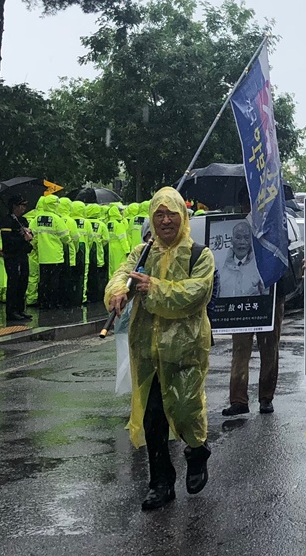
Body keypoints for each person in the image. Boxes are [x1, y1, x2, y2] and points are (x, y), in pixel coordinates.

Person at [105, 187, 215, 511]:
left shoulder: (199, 255)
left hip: (186, 349)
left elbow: (194, 294)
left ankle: (197, 451)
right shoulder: (142, 252)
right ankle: (160, 483)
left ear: (182, 217)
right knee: (153, 418)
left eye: (171, 214)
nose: (165, 220)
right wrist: (118, 292)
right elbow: (121, 275)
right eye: (159, 215)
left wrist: (154, 287)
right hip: (147, 350)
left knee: (185, 410)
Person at [223, 192, 287, 417]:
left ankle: (266, 398)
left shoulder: (277, 223)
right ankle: (238, 399)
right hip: (241, 301)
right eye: (245, 203)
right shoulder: (235, 228)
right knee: (240, 349)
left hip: (271, 297)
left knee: (269, 348)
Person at [30, 195, 70, 310]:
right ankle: (53, 303)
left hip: (42, 255)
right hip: (55, 255)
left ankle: (43, 302)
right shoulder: (57, 219)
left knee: (43, 280)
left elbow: (32, 235)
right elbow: (65, 237)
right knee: (54, 281)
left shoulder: (37, 218)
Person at [0, 195, 34, 320]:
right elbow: (7, 238)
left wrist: (29, 234)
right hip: (12, 255)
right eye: (21, 205)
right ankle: (11, 311)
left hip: (22, 254)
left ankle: (20, 309)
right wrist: (21, 238)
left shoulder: (23, 220)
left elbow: (30, 235)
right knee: (13, 282)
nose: (23, 208)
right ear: (14, 206)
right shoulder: (7, 220)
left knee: (23, 282)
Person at [219, 220, 264, 297]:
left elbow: (266, 298)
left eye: (246, 238)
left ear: (251, 241)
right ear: (231, 240)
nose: (242, 242)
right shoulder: (220, 267)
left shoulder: (259, 266)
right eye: (238, 237)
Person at [107, 204, 131, 278]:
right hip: (119, 249)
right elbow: (123, 239)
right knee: (120, 268)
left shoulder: (109, 223)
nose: (121, 212)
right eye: (120, 211)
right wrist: (127, 251)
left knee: (111, 269)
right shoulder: (119, 223)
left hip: (110, 247)